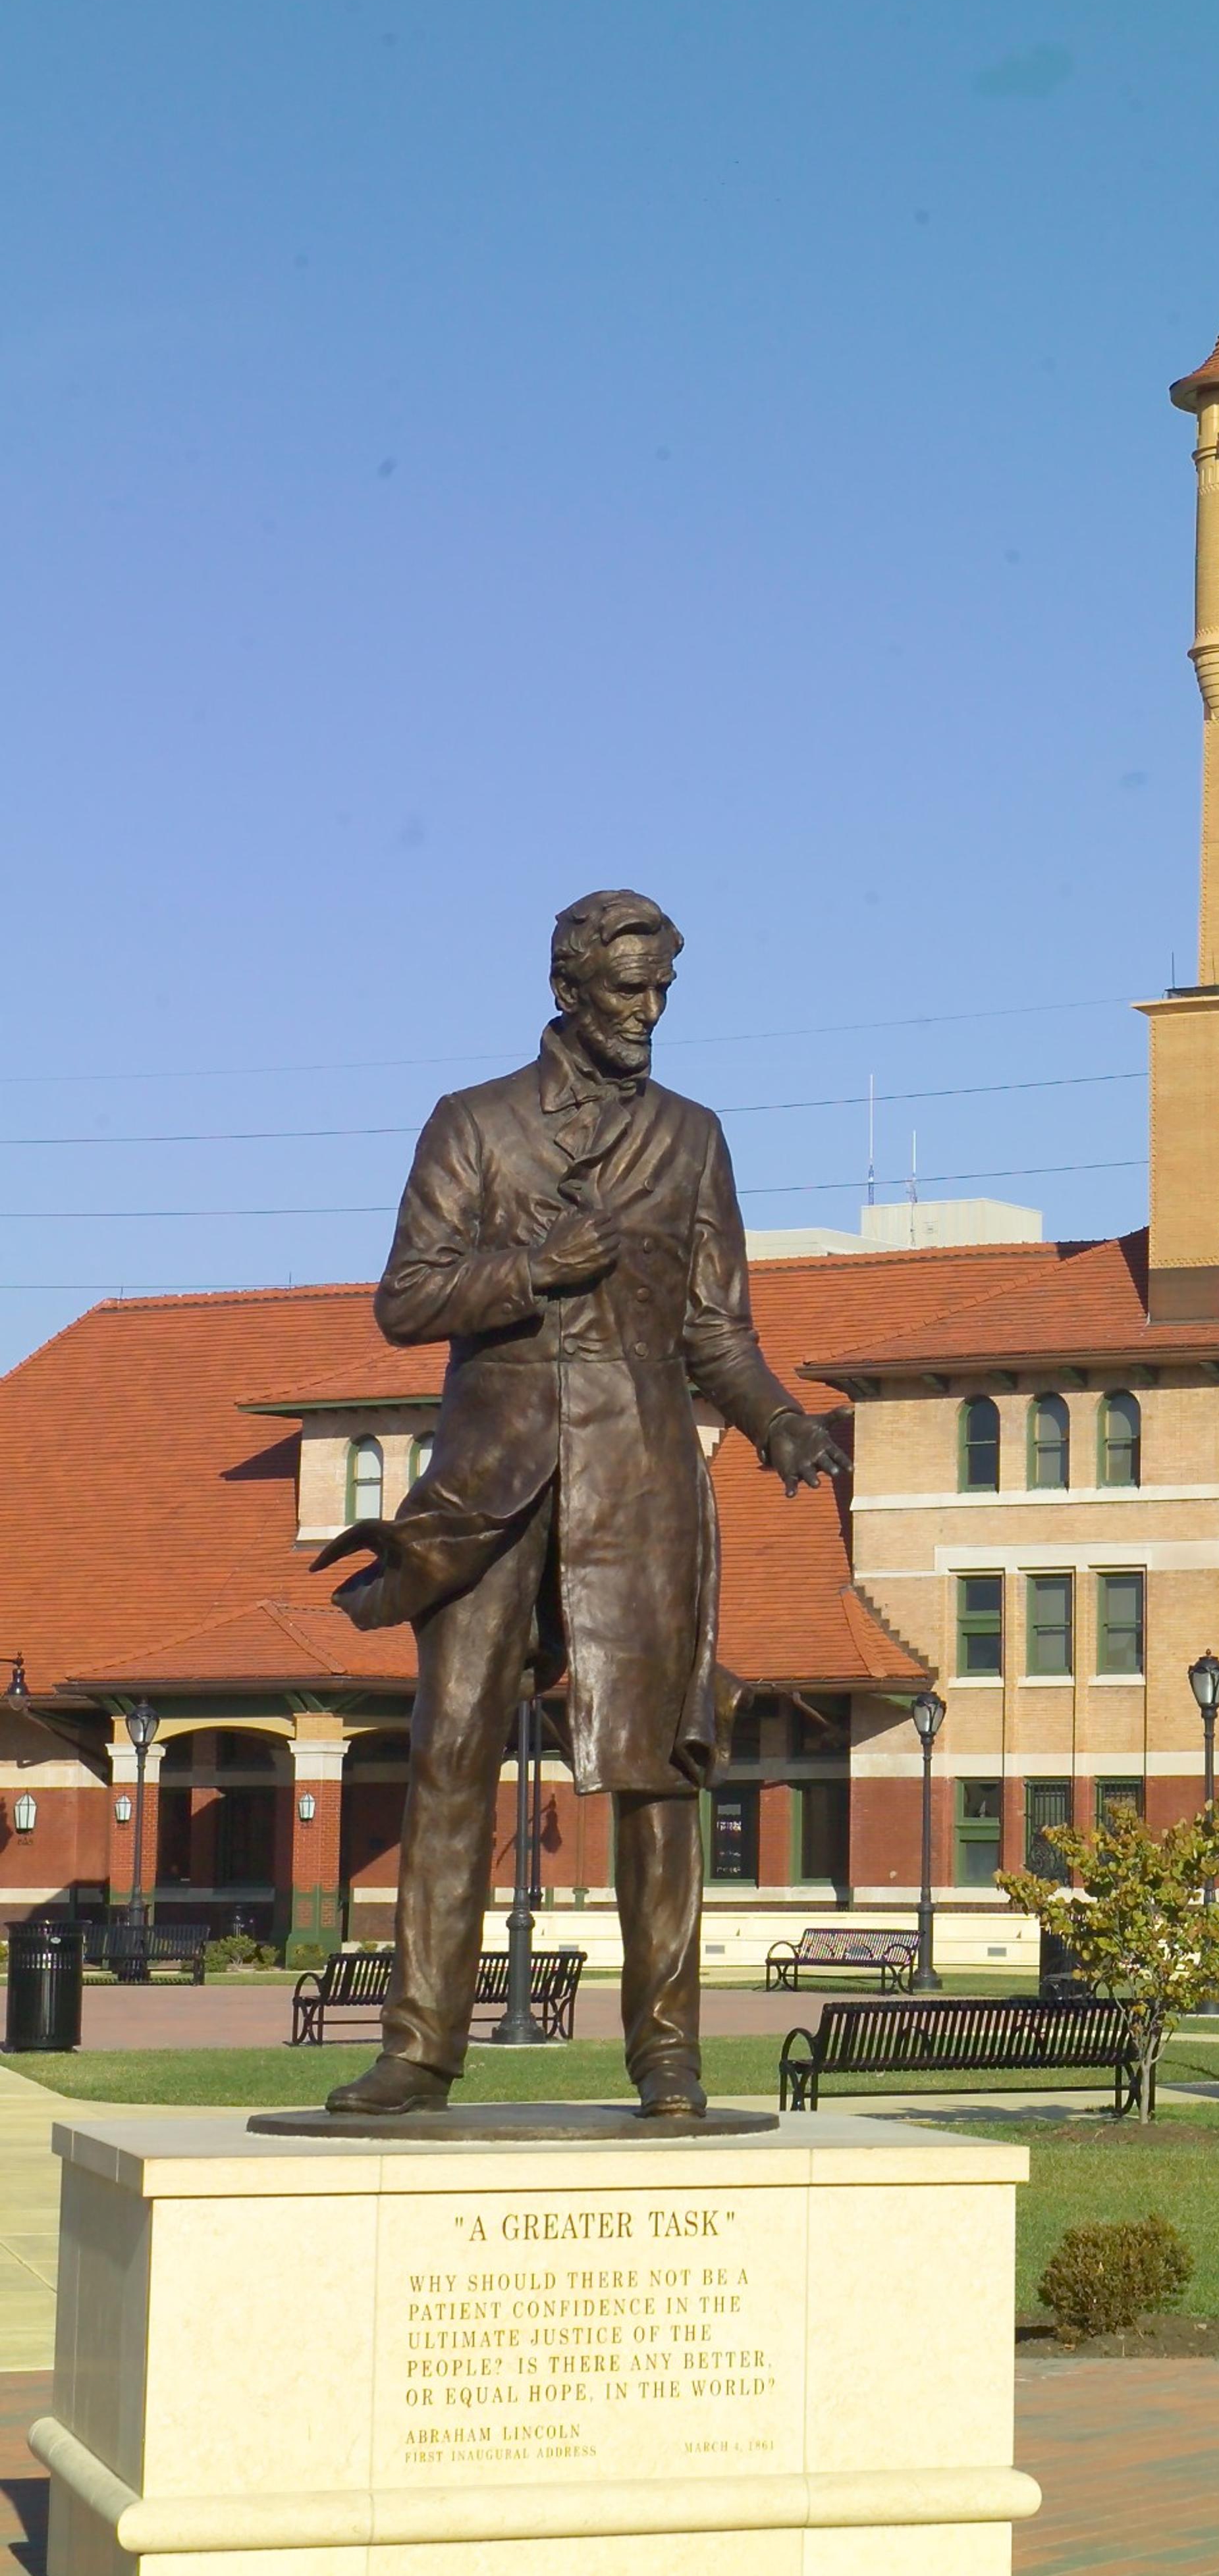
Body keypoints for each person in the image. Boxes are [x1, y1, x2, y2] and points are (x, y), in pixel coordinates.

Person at [316, 891, 844, 2118]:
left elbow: (718, 1328)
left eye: (663, 991)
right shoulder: (476, 1127)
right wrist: (533, 1272)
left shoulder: (693, 1138)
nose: (648, 1013)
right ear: (567, 989)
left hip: (642, 1470)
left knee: (658, 1767)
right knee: (449, 1752)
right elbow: (406, 1302)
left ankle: (667, 2052)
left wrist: (778, 1424)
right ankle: (420, 2051)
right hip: (490, 1478)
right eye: (626, 991)